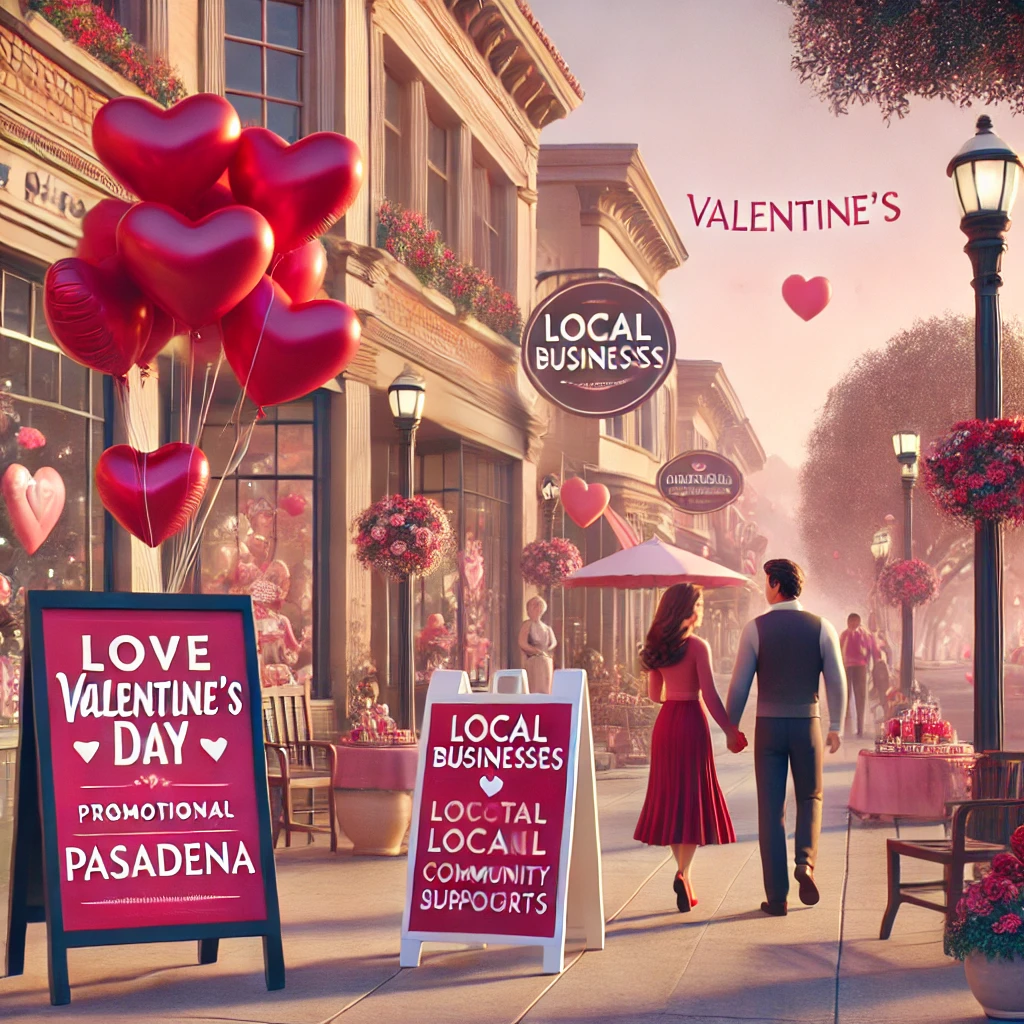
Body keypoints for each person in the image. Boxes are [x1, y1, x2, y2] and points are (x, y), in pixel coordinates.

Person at [727, 559, 847, 917]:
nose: (764, 588)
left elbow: (739, 686)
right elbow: (837, 680)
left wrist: (732, 729)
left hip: (768, 727)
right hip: (807, 723)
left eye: (766, 582)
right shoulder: (822, 626)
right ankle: (805, 864)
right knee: (810, 796)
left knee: (771, 810)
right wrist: (836, 725)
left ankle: (777, 896)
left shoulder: (755, 629)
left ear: (776, 584)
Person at [633, 583, 747, 914]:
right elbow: (709, 695)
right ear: (688, 608)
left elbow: (655, 696)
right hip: (692, 725)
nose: (700, 610)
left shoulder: (656, 646)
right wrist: (729, 730)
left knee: (670, 799)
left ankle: (685, 876)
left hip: (667, 726)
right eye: (698, 604)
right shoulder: (698, 646)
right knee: (693, 800)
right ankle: (684, 873)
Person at [839, 612, 880, 739]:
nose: (852, 625)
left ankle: (860, 728)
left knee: (860, 697)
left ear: (858, 622)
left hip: (860, 667)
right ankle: (846, 727)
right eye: (850, 623)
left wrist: (877, 666)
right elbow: (839, 651)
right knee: (845, 697)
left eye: (854, 622)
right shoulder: (844, 635)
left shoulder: (866, 635)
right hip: (847, 667)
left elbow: (874, 651)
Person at [518, 595, 557, 694]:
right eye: (532, 607)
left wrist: (546, 650)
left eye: (537, 607)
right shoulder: (527, 625)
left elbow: (553, 642)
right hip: (533, 660)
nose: (535, 610)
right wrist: (536, 651)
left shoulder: (547, 628)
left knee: (546, 688)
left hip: (546, 660)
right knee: (534, 689)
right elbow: (522, 643)